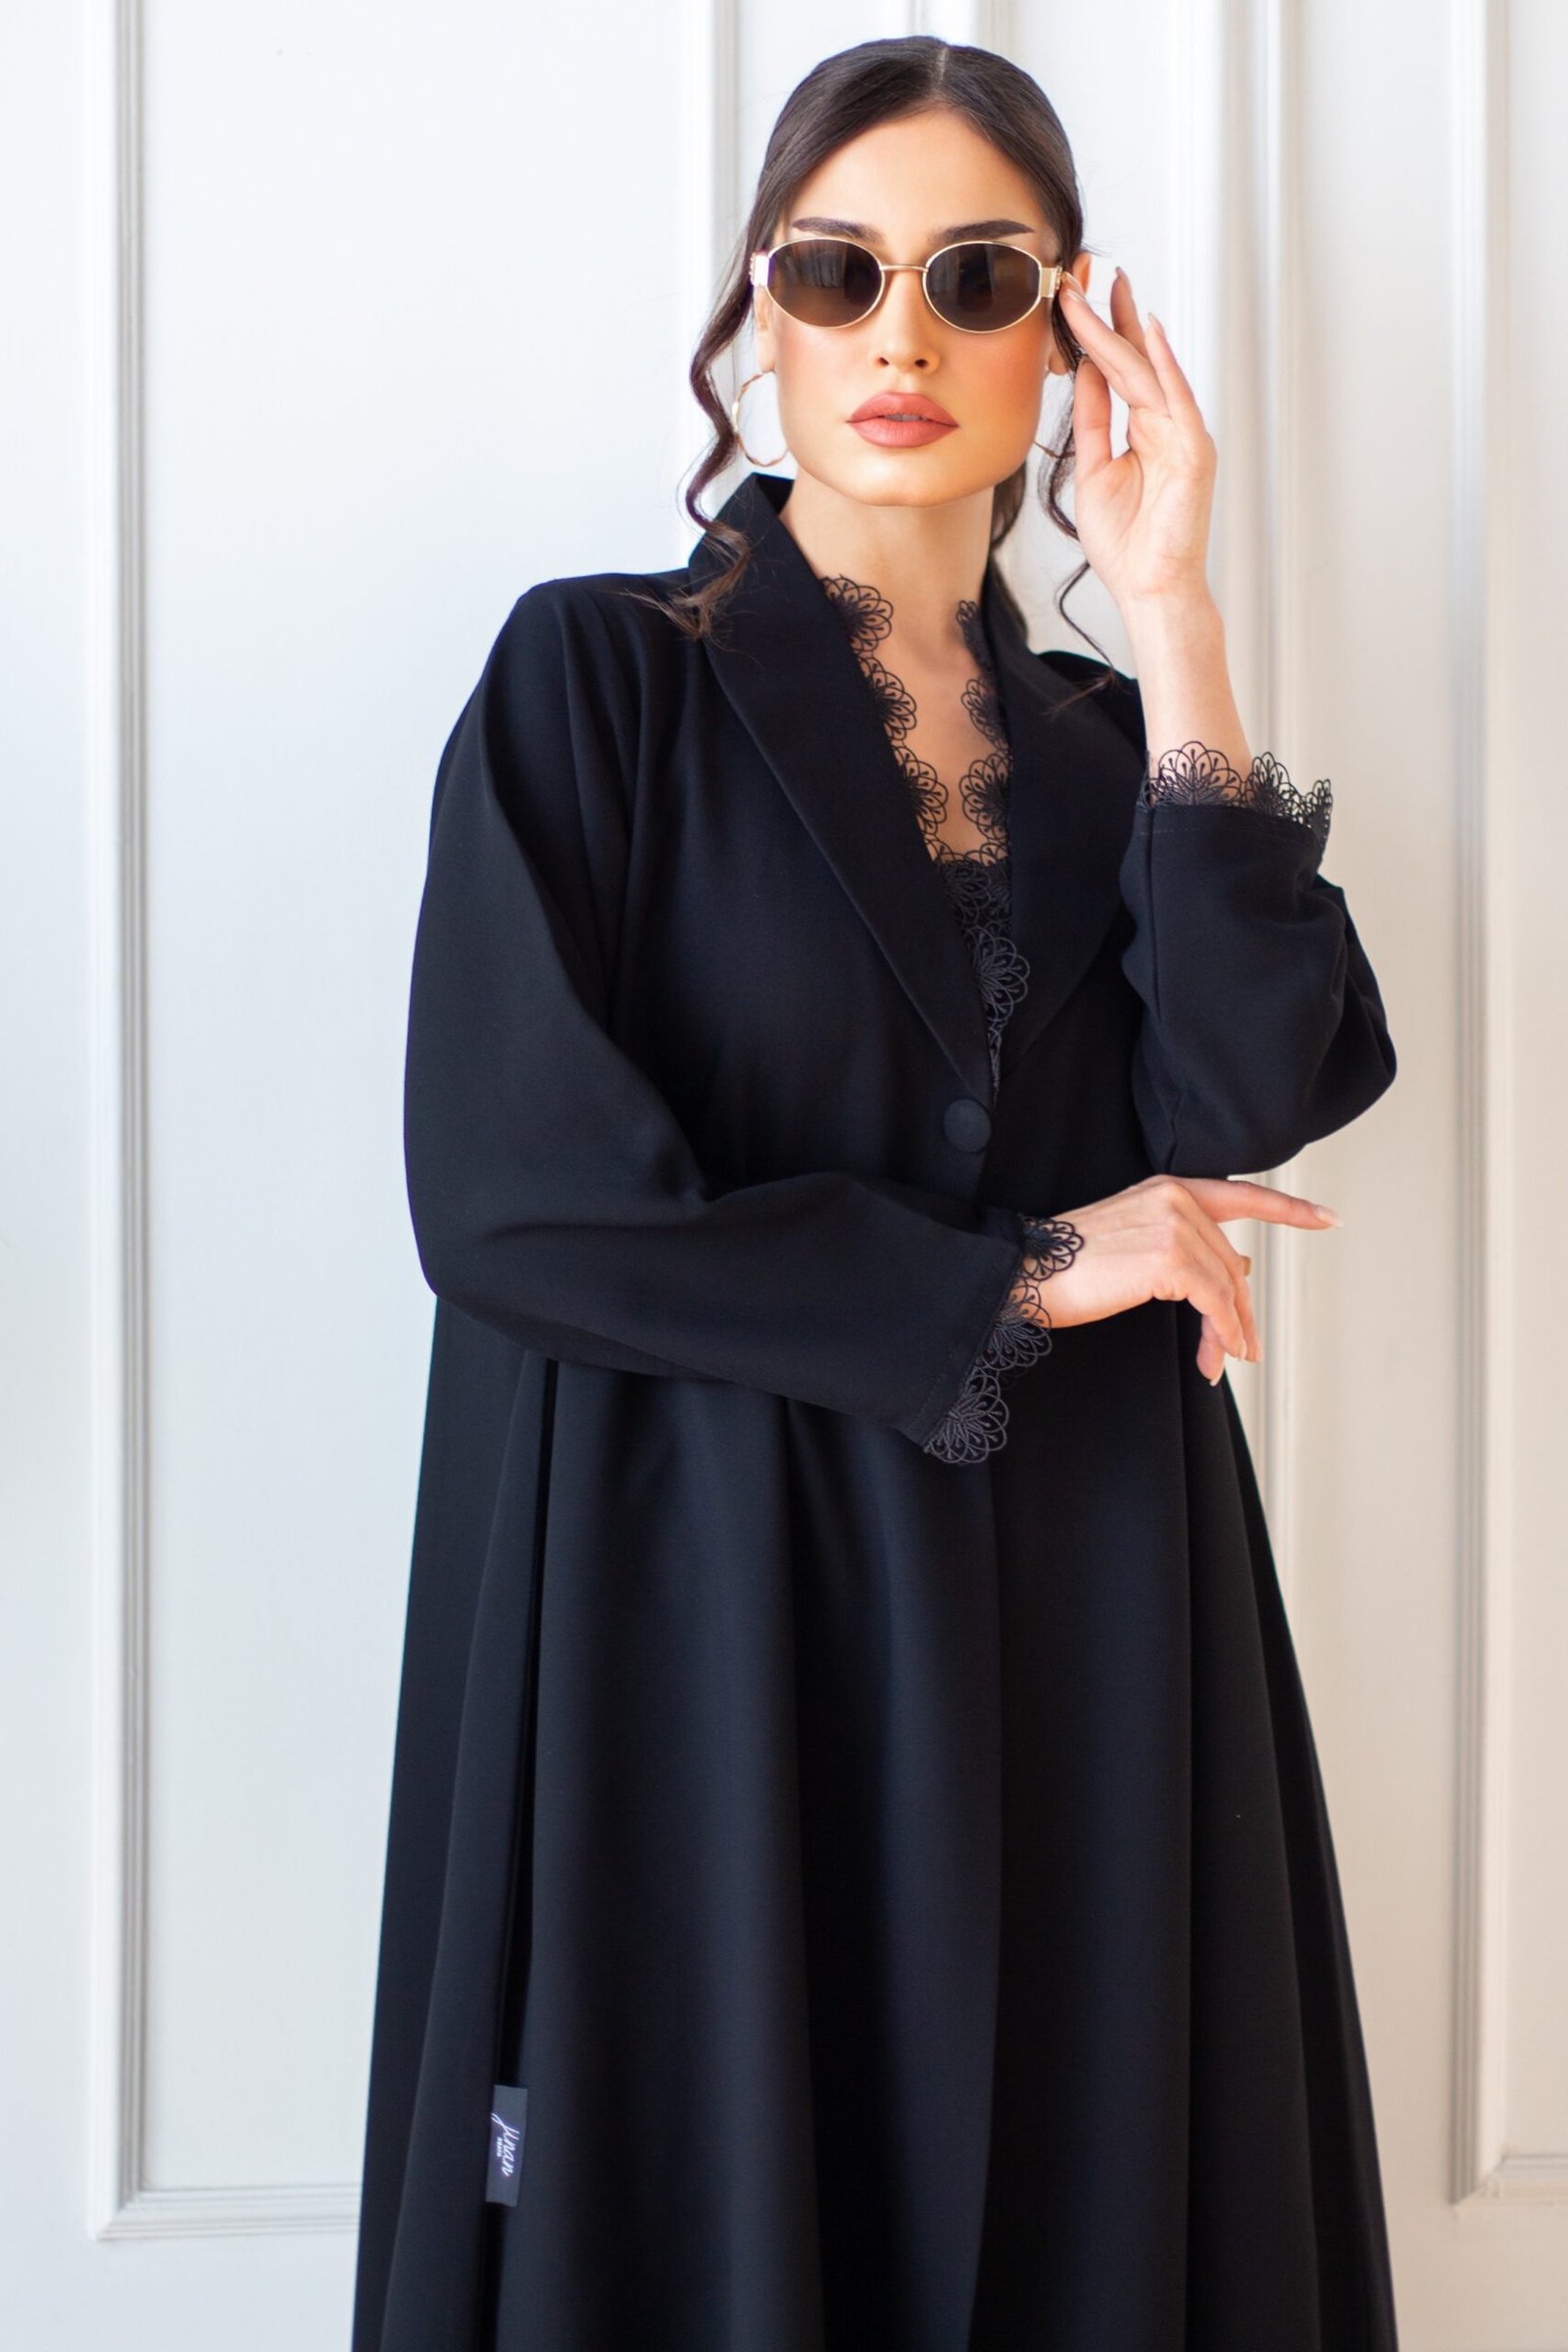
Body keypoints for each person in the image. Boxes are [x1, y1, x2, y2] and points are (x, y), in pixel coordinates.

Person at [351, 34, 1400, 2352]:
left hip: (1083, 1608)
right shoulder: (597, 683)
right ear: (763, 310)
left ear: (1064, 326)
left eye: (972, 276)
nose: (897, 333)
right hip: (703, 1598)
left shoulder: (1109, 750)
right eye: (836, 272)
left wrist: (1174, 611)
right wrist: (1022, 1271)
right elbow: (509, 1200)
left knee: (1076, 2201)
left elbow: (1247, 1083)